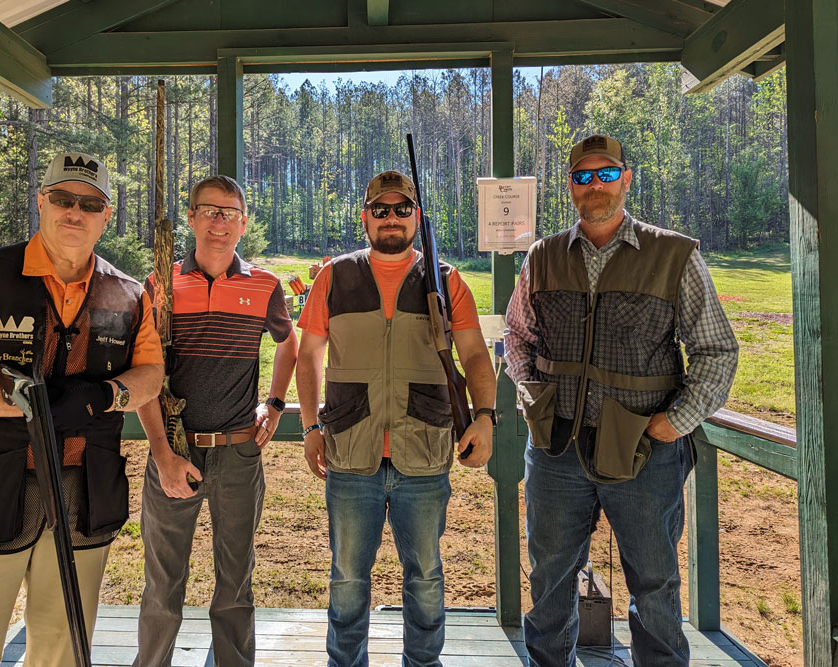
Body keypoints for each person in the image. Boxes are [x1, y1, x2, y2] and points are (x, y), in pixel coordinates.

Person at [0, 151, 164, 667]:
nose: (75, 212)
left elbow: (151, 375)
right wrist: (21, 403)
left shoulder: (131, 293)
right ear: (41, 202)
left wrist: (106, 396)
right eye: (63, 199)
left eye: (90, 203)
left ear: (106, 215)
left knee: (63, 652)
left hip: (81, 491)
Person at [504, 134, 739, 666]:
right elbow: (517, 336)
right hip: (556, 450)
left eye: (606, 174)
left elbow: (717, 350)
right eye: (583, 177)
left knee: (654, 587)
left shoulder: (673, 254)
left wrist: (674, 423)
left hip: (644, 453)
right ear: (570, 186)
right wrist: (530, 394)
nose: (595, 186)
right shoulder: (542, 256)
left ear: (627, 179)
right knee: (548, 580)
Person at [295, 170, 497, 667]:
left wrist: (486, 415)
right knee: (347, 578)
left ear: (417, 217)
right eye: (380, 209)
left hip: (423, 455)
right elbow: (308, 356)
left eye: (401, 209)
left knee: (425, 575)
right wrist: (309, 425)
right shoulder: (335, 276)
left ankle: (424, 663)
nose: (390, 218)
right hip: (349, 454)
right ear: (365, 218)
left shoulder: (446, 281)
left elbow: (473, 355)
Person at [134, 175, 298, 667]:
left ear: (244, 224)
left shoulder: (265, 285)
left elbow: (288, 343)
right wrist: (162, 455)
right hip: (173, 452)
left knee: (235, 586)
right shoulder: (160, 284)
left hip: (238, 453)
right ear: (190, 217)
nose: (219, 222)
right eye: (209, 210)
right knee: (162, 588)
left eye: (229, 213)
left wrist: (273, 403)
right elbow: (143, 373)